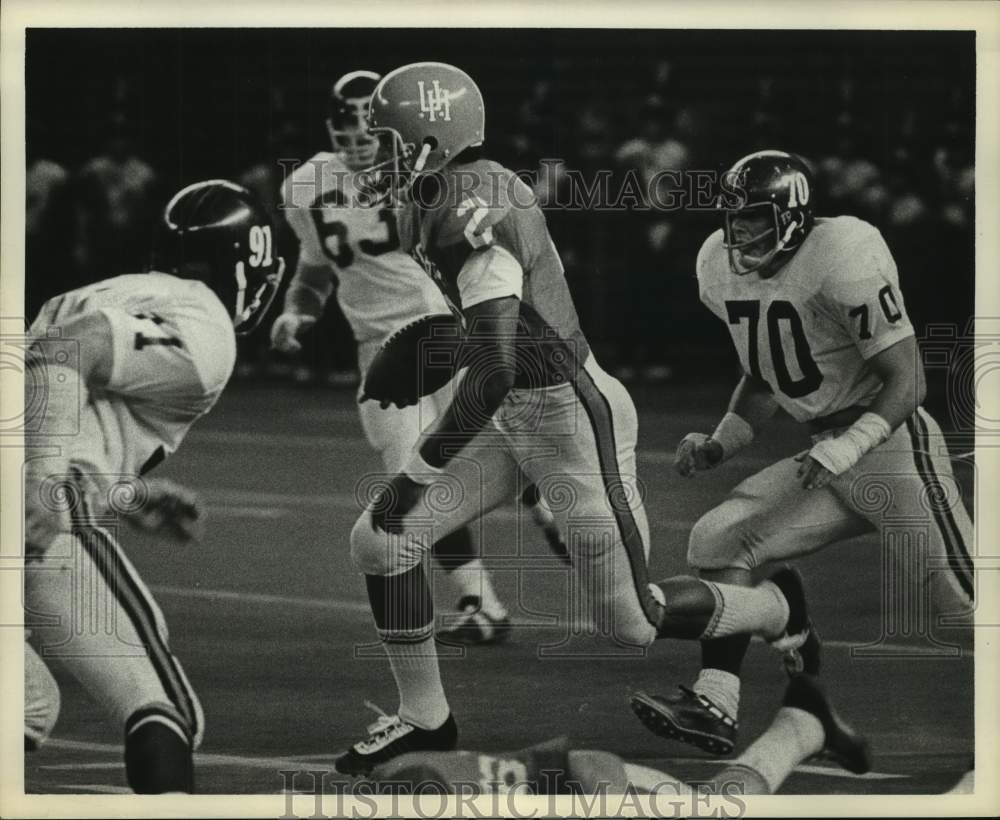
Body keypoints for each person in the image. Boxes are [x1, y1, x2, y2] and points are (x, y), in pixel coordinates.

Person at [335, 63, 817, 775]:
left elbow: (496, 366)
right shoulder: (435, 196)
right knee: (381, 541)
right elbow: (497, 333)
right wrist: (431, 349)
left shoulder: (473, 203)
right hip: (516, 415)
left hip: (571, 421)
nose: (375, 154)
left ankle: (775, 606)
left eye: (388, 139)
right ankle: (424, 718)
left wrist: (417, 470)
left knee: (633, 623)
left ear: (432, 140)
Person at [630, 150, 974, 756]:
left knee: (970, 606)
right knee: (718, 538)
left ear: (791, 215)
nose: (740, 232)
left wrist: (848, 447)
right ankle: (716, 702)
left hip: (890, 448)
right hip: (827, 456)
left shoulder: (843, 253)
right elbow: (765, 372)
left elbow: (910, 379)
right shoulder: (718, 265)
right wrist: (721, 441)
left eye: (754, 217)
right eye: (734, 218)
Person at [273, 69, 566, 644]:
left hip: (448, 330)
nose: (357, 145)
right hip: (381, 349)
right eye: (345, 132)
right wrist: (297, 312)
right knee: (410, 476)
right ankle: (481, 603)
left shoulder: (426, 176)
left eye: (369, 132)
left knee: (502, 437)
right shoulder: (306, 185)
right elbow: (314, 267)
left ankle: (554, 510)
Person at [23, 179, 285, 792]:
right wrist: (43, 481)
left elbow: (51, 399)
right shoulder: (204, 317)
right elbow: (67, 351)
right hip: (31, 511)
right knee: (165, 712)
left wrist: (127, 494)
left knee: (28, 705)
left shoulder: (98, 292)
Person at [372, 673, 870, 795]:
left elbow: (588, 763)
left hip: (609, 787)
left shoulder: (451, 786)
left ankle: (801, 728)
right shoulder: (404, 780)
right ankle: (801, 723)